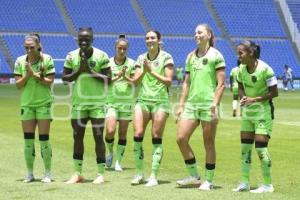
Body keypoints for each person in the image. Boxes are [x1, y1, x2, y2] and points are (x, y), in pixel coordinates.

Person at [176, 24, 226, 191]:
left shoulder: (216, 55)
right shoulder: (190, 56)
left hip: (208, 105)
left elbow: (221, 84)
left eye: (200, 32)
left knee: (208, 142)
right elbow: (186, 83)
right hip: (192, 104)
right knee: (181, 138)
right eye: (195, 32)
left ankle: (209, 181)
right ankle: (194, 176)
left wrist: (214, 104)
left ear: (209, 34)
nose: (196, 35)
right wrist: (181, 104)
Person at [62, 27, 111, 184]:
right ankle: (78, 174)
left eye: (87, 38)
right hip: (79, 103)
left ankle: (101, 174)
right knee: (77, 137)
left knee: (98, 137)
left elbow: (108, 80)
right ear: (77, 39)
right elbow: (65, 78)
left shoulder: (101, 55)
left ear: (92, 39)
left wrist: (89, 71)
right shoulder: (71, 56)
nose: (84, 41)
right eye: (81, 38)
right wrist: (78, 71)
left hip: (97, 103)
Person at [232, 40, 278, 193]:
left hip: (263, 113)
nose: (238, 56)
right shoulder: (240, 70)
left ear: (250, 53)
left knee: (260, 148)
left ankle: (267, 185)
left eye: (241, 53)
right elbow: (239, 86)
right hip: (248, 114)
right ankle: (244, 182)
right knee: (245, 148)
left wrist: (255, 99)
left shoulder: (266, 69)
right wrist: (243, 97)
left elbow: (274, 92)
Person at [130, 30, 174, 187]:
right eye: (147, 38)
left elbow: (169, 81)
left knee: (156, 135)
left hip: (160, 101)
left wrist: (151, 71)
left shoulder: (166, 57)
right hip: (142, 101)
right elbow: (135, 82)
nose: (150, 40)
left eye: (153, 38)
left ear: (159, 40)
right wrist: (142, 71)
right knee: (137, 134)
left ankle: (153, 176)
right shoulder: (141, 58)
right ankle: (139, 173)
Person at [14, 33, 55, 183]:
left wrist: (36, 75)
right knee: (28, 141)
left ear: (38, 46)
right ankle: (30, 173)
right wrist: (28, 74)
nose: (29, 50)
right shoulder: (20, 61)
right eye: (26, 48)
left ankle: (48, 173)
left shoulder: (47, 59)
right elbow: (18, 85)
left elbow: (49, 82)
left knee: (44, 140)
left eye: (32, 47)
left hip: (43, 103)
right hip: (27, 105)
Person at [105, 35, 136, 171]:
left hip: (126, 103)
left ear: (127, 49)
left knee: (123, 133)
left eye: (124, 48)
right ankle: (110, 151)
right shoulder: (107, 63)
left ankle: (118, 161)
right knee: (110, 130)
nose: (122, 51)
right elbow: (104, 82)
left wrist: (126, 77)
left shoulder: (132, 64)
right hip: (111, 102)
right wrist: (118, 77)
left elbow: (135, 82)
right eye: (119, 48)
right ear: (115, 48)